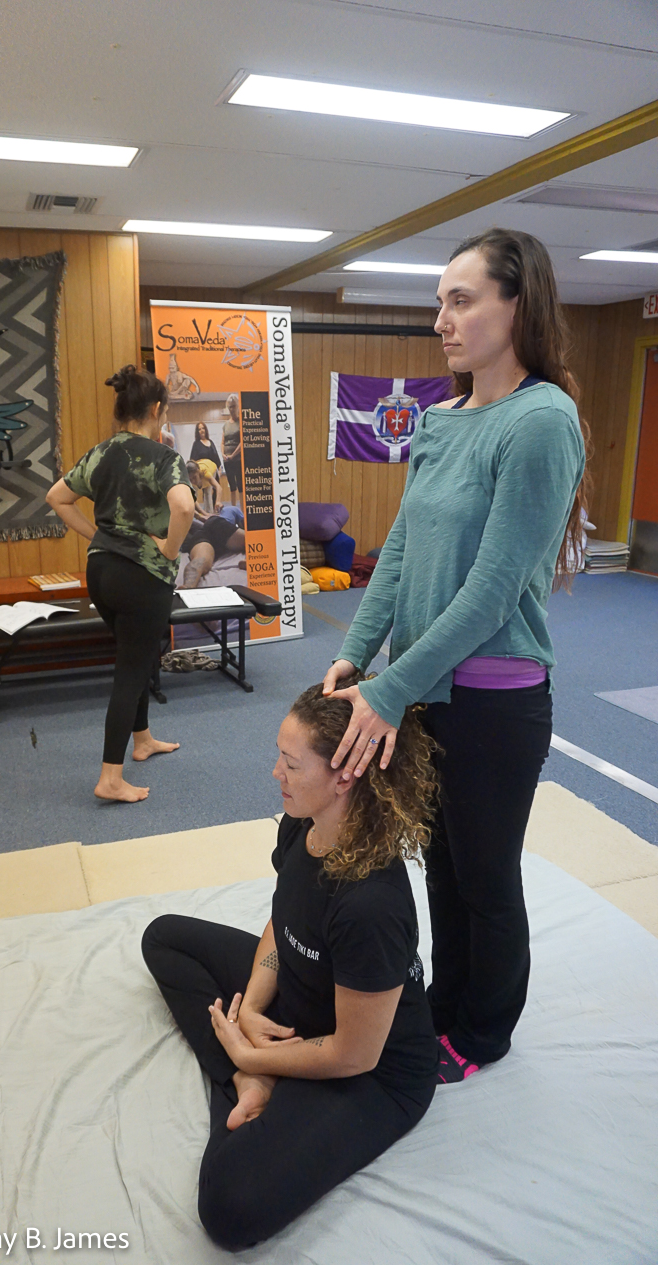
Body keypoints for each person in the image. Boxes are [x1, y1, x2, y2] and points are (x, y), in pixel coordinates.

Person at [321, 228, 589, 1081]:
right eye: (439, 301)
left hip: (493, 699)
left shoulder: (541, 421)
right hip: (420, 689)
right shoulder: (440, 418)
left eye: (460, 300)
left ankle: (482, 1033)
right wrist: (359, 654)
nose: (439, 318)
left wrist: (389, 687)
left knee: (484, 875)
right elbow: (400, 549)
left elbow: (493, 587)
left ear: (517, 305)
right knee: (437, 863)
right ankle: (446, 1002)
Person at [142, 682, 439, 1250]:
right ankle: (248, 1085)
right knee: (165, 939)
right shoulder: (302, 823)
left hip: (369, 1069)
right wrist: (252, 1008)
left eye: (291, 763)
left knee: (229, 1209)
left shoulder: (371, 905)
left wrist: (249, 1051)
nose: (275, 772)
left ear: (344, 776)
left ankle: (250, 1078)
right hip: (300, 1001)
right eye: (280, 756)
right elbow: (285, 922)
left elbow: (354, 1053)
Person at [46, 365, 195, 803]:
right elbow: (185, 507)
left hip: (101, 573)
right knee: (130, 670)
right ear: (156, 409)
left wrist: (98, 536)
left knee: (137, 654)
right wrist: (170, 548)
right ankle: (110, 778)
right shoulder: (163, 456)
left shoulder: (101, 453)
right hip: (140, 578)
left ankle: (142, 739)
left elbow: (57, 497)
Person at [180, 506, 245, 588]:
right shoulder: (232, 509)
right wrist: (201, 516)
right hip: (216, 526)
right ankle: (253, 559)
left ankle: (187, 586)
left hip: (203, 533)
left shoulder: (229, 511)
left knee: (200, 560)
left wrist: (200, 516)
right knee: (253, 540)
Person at [221, 393, 242, 509]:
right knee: (232, 487)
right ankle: (234, 509)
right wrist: (223, 454)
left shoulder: (241, 422)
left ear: (237, 406)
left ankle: (242, 511)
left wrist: (233, 455)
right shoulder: (225, 425)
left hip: (238, 459)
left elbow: (242, 442)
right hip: (227, 460)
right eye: (230, 407)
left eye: (233, 406)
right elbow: (222, 442)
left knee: (240, 486)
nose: (232, 409)